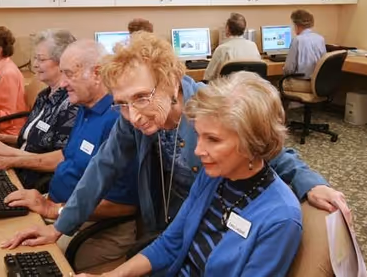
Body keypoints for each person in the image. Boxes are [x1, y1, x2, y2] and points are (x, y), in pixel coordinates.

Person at [0, 31, 350, 252]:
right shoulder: (133, 116)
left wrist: (310, 183)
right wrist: (59, 227)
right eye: (122, 104)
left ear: (171, 81)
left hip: (208, 237)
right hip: (164, 233)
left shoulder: (209, 108)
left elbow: (269, 148)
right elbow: (102, 169)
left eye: (141, 97)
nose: (134, 116)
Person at [76, 72, 303, 277]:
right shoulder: (212, 177)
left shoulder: (281, 218)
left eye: (213, 139)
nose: (197, 150)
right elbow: (170, 243)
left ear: (254, 140)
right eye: (198, 135)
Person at [0, 40, 139, 271]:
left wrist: (54, 210)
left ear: (96, 73)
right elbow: (67, 156)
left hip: (94, 228)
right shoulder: (85, 107)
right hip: (60, 207)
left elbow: (124, 205)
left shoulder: (117, 120)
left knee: (20, 258)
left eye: (69, 74)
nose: (62, 83)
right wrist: (13, 159)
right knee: (0, 231)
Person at [0, 29, 78, 191]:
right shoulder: (44, 95)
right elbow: (30, 140)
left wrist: (9, 155)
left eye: (40, 59)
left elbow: (58, 160)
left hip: (33, 179)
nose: (35, 65)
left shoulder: (71, 104)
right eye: (35, 58)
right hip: (18, 166)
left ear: (62, 63)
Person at [204, 13, 261, 81]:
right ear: (244, 29)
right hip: (250, 88)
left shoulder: (222, 49)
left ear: (227, 29)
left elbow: (208, 77)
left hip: (227, 89)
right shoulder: (253, 46)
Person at [283, 9, 326, 93]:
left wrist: (283, 69)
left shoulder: (297, 40)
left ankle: (294, 106)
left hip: (304, 84)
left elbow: (289, 69)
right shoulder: (320, 39)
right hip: (319, 84)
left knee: (279, 84)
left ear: (296, 25)